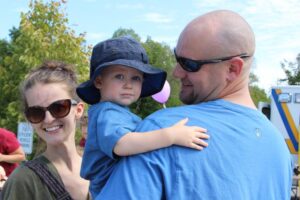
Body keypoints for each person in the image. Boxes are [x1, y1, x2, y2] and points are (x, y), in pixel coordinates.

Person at [96, 10, 293, 200]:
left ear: (232, 69)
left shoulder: (166, 130)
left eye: (189, 64)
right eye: (177, 59)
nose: (176, 72)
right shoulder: (279, 149)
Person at [76, 36, 209, 198]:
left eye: (136, 78)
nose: (128, 84)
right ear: (98, 82)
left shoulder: (117, 111)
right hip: (109, 188)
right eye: (119, 76)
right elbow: (122, 144)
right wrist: (172, 136)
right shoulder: (106, 112)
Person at [1, 61, 90, 200]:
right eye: (36, 112)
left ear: (78, 110)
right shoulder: (23, 181)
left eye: (59, 107)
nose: (48, 119)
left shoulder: (102, 168)